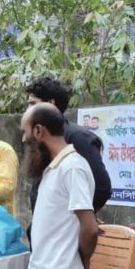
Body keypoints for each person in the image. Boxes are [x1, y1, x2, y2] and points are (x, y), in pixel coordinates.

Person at [20, 104, 98, 269]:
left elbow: (90, 228)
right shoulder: (53, 167)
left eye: (25, 132)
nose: (23, 139)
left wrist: (82, 262)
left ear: (39, 131)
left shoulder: (73, 168)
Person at [25, 76, 110, 212]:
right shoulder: (40, 137)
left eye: (33, 103)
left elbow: (101, 189)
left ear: (51, 104)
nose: (28, 110)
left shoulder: (79, 138)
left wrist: (70, 218)